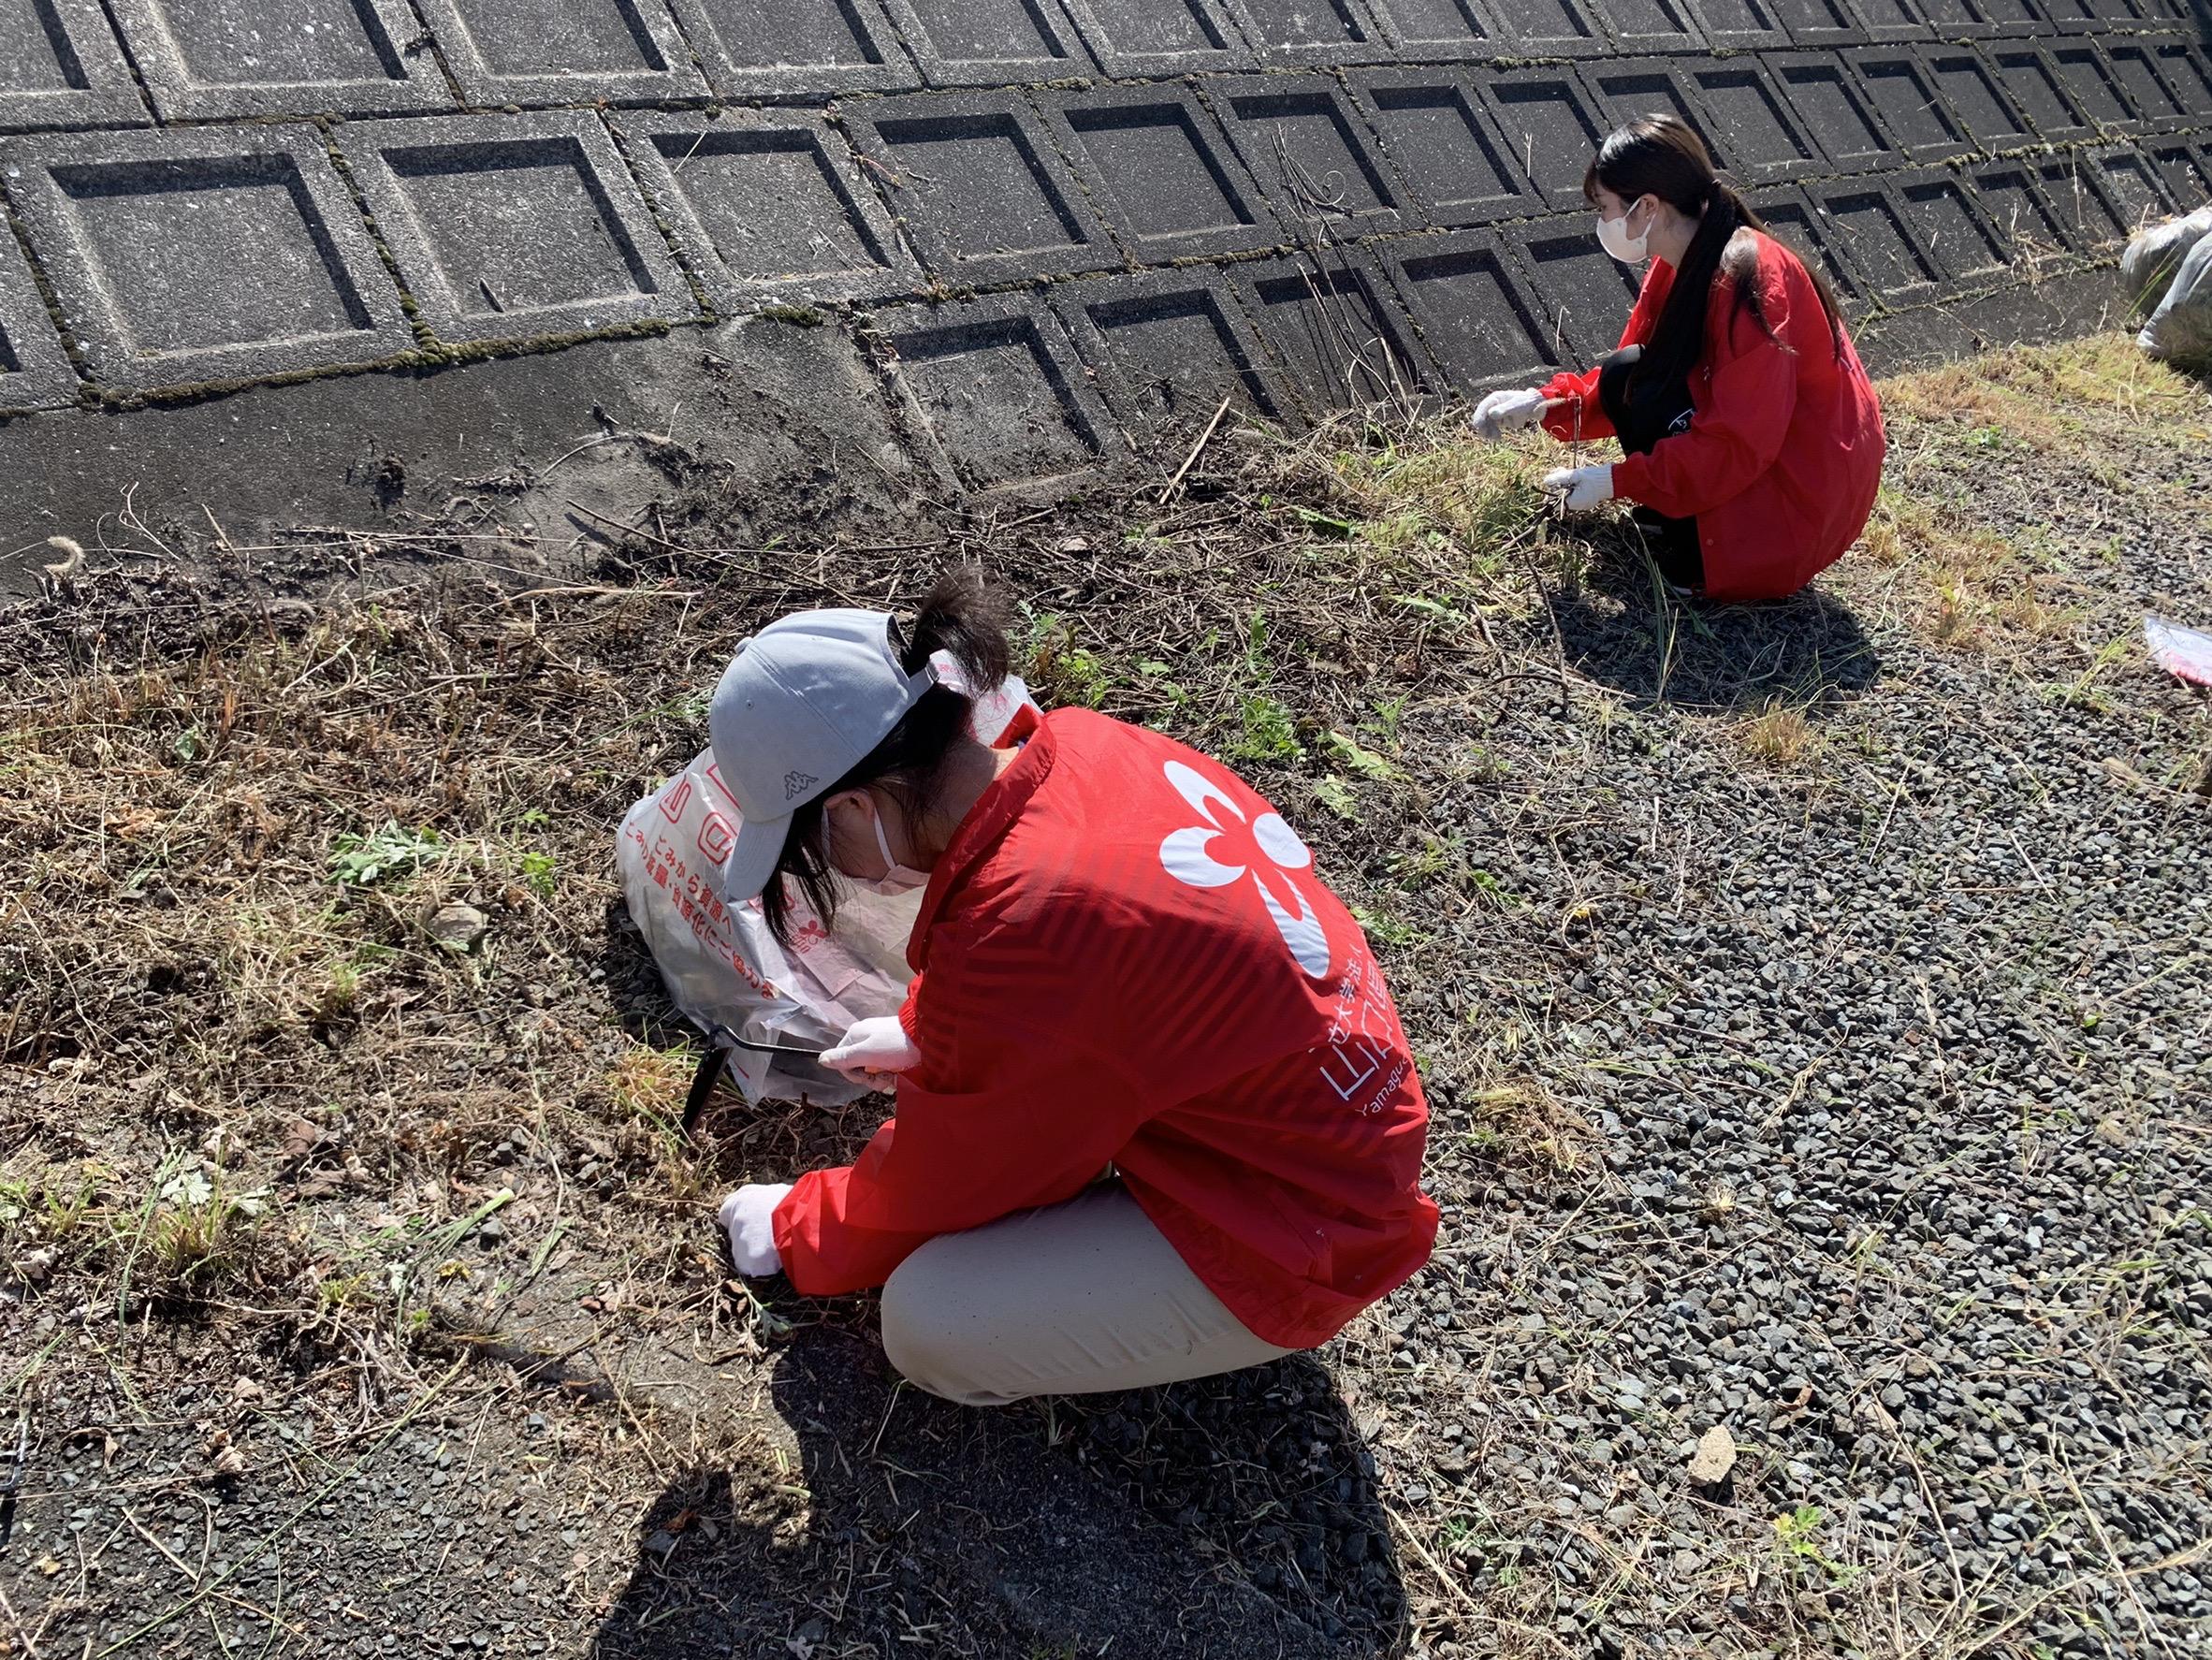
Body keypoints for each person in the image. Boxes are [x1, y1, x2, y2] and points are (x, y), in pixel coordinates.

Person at [706, 573, 1438, 1406]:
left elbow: (951, 1180)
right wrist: (931, 1029)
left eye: (815, 849)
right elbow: (1110, 990)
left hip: (1302, 1228)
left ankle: (1222, 1317)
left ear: (850, 809)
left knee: (933, 1321)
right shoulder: (1084, 746)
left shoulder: (1024, 927)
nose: (835, 872)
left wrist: (794, 1227)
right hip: (1331, 1122)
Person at [1471, 114, 1885, 602]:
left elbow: (1741, 442)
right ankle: (1677, 513)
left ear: (1646, 206)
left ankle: (1705, 555)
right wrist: (1545, 403)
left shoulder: (1750, 281)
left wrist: (1617, 480)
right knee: (1632, 369)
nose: (1602, 223)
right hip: (1772, 457)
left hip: (1797, 499)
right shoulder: (1686, 254)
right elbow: (1630, 380)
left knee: (1647, 384)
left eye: (1604, 207)